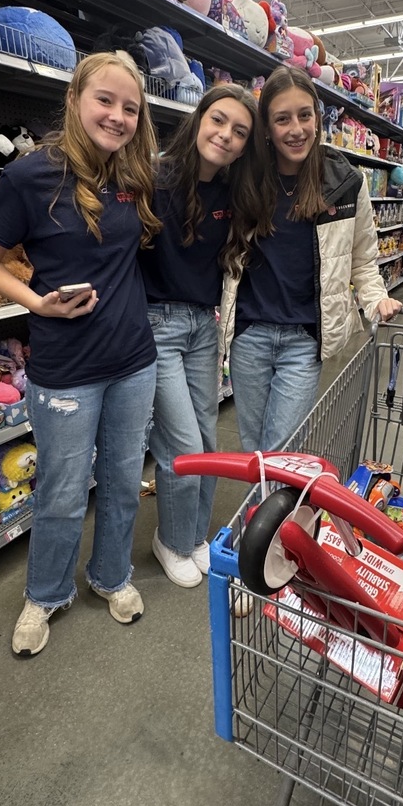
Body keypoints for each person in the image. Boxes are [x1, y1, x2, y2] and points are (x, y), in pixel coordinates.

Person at [0, 51, 161, 656]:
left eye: (130, 107)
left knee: (126, 480)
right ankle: (46, 593)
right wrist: (37, 304)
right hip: (65, 371)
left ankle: (111, 576)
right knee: (62, 490)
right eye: (105, 100)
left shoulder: (134, 178)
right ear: (77, 99)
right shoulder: (29, 177)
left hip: (133, 360)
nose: (118, 116)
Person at [221, 64, 402, 454]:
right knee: (255, 450)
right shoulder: (245, 177)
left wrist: (375, 300)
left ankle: (267, 515)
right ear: (267, 128)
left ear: (318, 119)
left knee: (281, 449)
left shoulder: (345, 183)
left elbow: (363, 260)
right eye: (282, 119)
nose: (296, 129)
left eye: (305, 115)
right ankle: (262, 516)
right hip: (250, 335)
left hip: (304, 340)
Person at [139, 85, 263, 588]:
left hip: (202, 325)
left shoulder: (233, 193)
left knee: (209, 442)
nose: (226, 136)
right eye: (219, 120)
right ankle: (169, 540)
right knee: (181, 445)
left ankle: (192, 538)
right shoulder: (153, 176)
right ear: (198, 119)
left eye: (239, 132)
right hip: (156, 325)